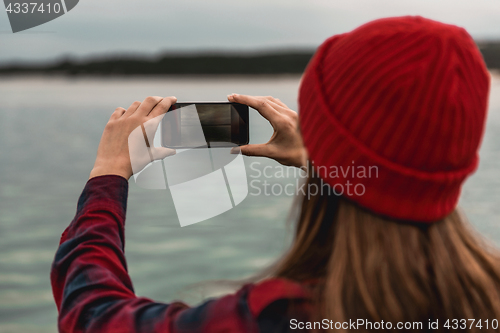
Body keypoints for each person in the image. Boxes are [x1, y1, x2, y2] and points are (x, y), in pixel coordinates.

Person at [50, 16, 497, 333]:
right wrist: (331, 159)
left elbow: (93, 316)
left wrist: (108, 175)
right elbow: (400, 182)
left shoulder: (278, 317)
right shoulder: (486, 297)